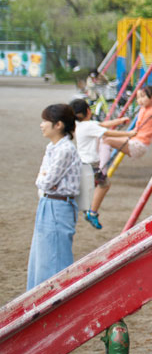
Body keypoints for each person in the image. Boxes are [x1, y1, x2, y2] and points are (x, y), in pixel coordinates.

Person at [86, 85, 152, 229]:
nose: (140, 100)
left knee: (105, 139)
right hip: (133, 141)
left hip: (139, 146)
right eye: (138, 98)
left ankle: (101, 170)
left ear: (151, 98)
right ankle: (99, 168)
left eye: (143, 97)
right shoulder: (146, 108)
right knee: (102, 139)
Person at [27, 104, 82, 289]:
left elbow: (45, 181)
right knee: (42, 257)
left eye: (45, 121)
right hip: (49, 202)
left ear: (58, 125)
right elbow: (43, 180)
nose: (42, 125)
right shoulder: (53, 147)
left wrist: (44, 180)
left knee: (56, 259)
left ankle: (58, 302)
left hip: (59, 206)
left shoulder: (65, 149)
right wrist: (44, 180)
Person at [69, 99, 130, 225]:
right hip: (91, 164)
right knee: (103, 185)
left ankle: (88, 210)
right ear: (88, 111)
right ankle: (91, 212)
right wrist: (128, 134)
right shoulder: (89, 126)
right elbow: (106, 132)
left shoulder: (81, 125)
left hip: (84, 163)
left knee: (96, 185)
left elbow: (103, 125)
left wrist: (120, 121)